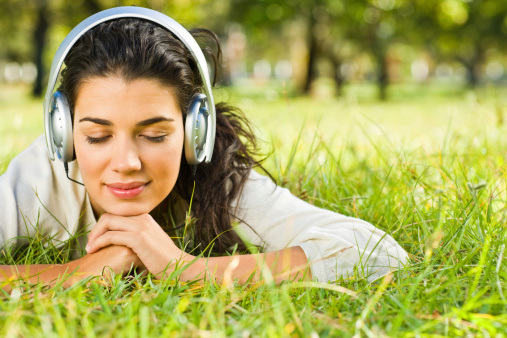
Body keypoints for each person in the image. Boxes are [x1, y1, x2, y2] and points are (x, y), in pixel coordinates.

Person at [0, 7, 408, 288]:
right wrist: (80, 272)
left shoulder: (217, 181)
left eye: (155, 135)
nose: (125, 163)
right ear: (64, 133)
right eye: (97, 136)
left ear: (195, 131)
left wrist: (188, 269)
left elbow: (380, 255)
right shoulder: (37, 180)